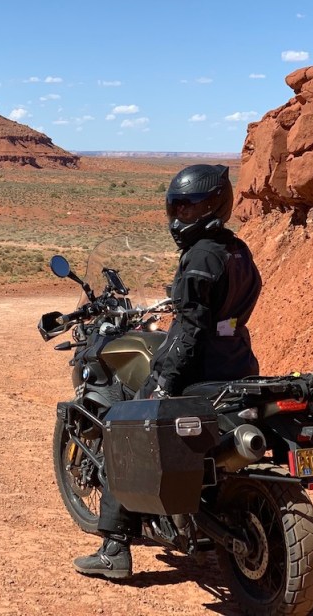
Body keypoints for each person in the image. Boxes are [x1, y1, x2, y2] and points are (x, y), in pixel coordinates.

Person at [73, 163, 262, 580]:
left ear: (214, 205)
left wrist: (162, 381)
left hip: (199, 369)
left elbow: (189, 334)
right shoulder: (238, 251)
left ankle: (113, 549)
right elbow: (220, 316)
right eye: (176, 207)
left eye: (189, 208)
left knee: (122, 431)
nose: (179, 217)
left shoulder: (199, 257)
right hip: (238, 362)